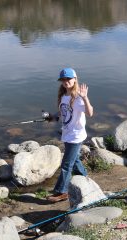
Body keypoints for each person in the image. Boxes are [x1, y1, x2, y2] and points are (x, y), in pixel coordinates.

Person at [46, 67, 94, 203]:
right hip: (67, 134)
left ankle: (62, 192)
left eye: (68, 79)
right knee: (74, 160)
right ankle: (84, 177)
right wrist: (52, 117)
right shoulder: (63, 96)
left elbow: (90, 113)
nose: (66, 81)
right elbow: (63, 113)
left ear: (75, 79)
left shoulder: (78, 97)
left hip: (76, 136)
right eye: (63, 79)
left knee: (66, 164)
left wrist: (85, 98)